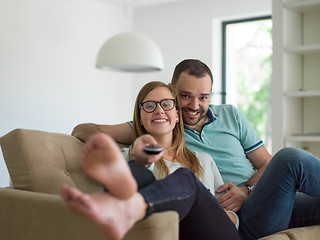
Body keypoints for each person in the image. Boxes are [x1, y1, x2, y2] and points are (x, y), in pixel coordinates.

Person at [71, 59, 320, 239]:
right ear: (172, 91)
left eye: (203, 97)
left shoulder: (229, 117)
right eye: (185, 96)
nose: (194, 105)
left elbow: (265, 163)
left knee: (290, 163)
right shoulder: (160, 119)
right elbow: (85, 129)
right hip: (239, 219)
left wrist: (247, 189)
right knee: (290, 158)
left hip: (263, 198)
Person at [62, 81, 241, 240]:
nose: (159, 110)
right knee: (138, 171)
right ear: (139, 117)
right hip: (171, 232)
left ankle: (131, 207)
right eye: (149, 106)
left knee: (186, 178)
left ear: (177, 115)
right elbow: (80, 130)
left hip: (214, 233)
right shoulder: (129, 156)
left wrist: (223, 214)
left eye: (166, 104)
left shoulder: (203, 160)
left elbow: (228, 213)